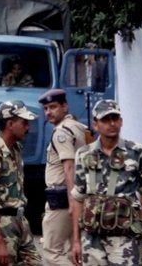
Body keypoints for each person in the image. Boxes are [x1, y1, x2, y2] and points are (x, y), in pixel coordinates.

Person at [71, 100, 142, 265]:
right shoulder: (84, 154)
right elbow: (78, 198)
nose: (112, 123)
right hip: (92, 237)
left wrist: (140, 226)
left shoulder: (137, 152)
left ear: (121, 121)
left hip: (124, 237)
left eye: (115, 118)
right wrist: (76, 240)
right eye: (105, 119)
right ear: (95, 124)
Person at [0, 100, 42, 265]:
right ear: (10, 124)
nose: (28, 127)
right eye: (24, 122)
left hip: (20, 221)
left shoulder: (16, 150)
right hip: (2, 224)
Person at [38, 89, 90, 265]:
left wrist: (72, 202)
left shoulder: (61, 132)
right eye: (46, 108)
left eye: (53, 107)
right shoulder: (79, 127)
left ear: (65, 106)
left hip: (62, 199)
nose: (49, 112)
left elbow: (69, 167)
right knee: (72, 253)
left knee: (52, 253)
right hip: (80, 195)